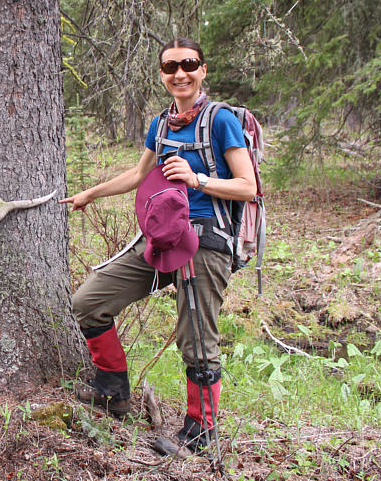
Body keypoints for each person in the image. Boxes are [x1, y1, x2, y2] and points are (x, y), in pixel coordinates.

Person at [60, 37, 256, 456]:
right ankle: (113, 392)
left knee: (196, 338)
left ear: (203, 70)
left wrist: (197, 179)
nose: (180, 74)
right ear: (162, 74)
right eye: (170, 67)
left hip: (205, 241)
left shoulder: (220, 120)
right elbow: (138, 174)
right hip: (162, 238)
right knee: (88, 302)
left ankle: (200, 432)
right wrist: (90, 194)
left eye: (188, 64)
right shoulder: (161, 124)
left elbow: (247, 186)